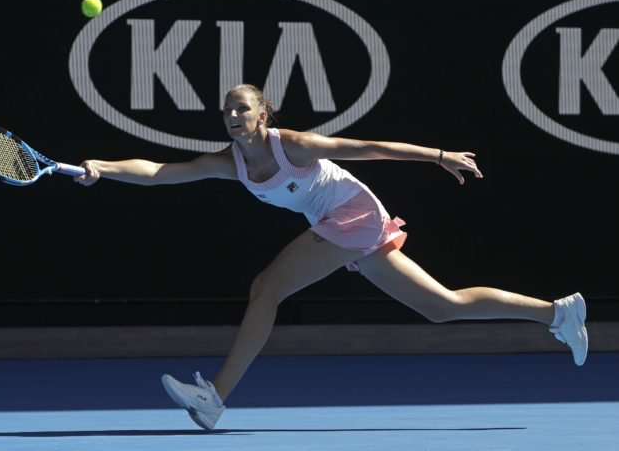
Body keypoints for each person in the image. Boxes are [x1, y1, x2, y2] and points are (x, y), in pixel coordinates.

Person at [75, 83, 588, 431]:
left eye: (242, 109)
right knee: (441, 305)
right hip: (340, 223)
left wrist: (436, 156)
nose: (232, 117)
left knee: (266, 288)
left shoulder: (293, 145)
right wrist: (102, 166)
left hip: (352, 214)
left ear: (263, 113)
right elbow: (161, 172)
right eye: (226, 110)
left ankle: (214, 397)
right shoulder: (229, 162)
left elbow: (367, 147)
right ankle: (558, 312)